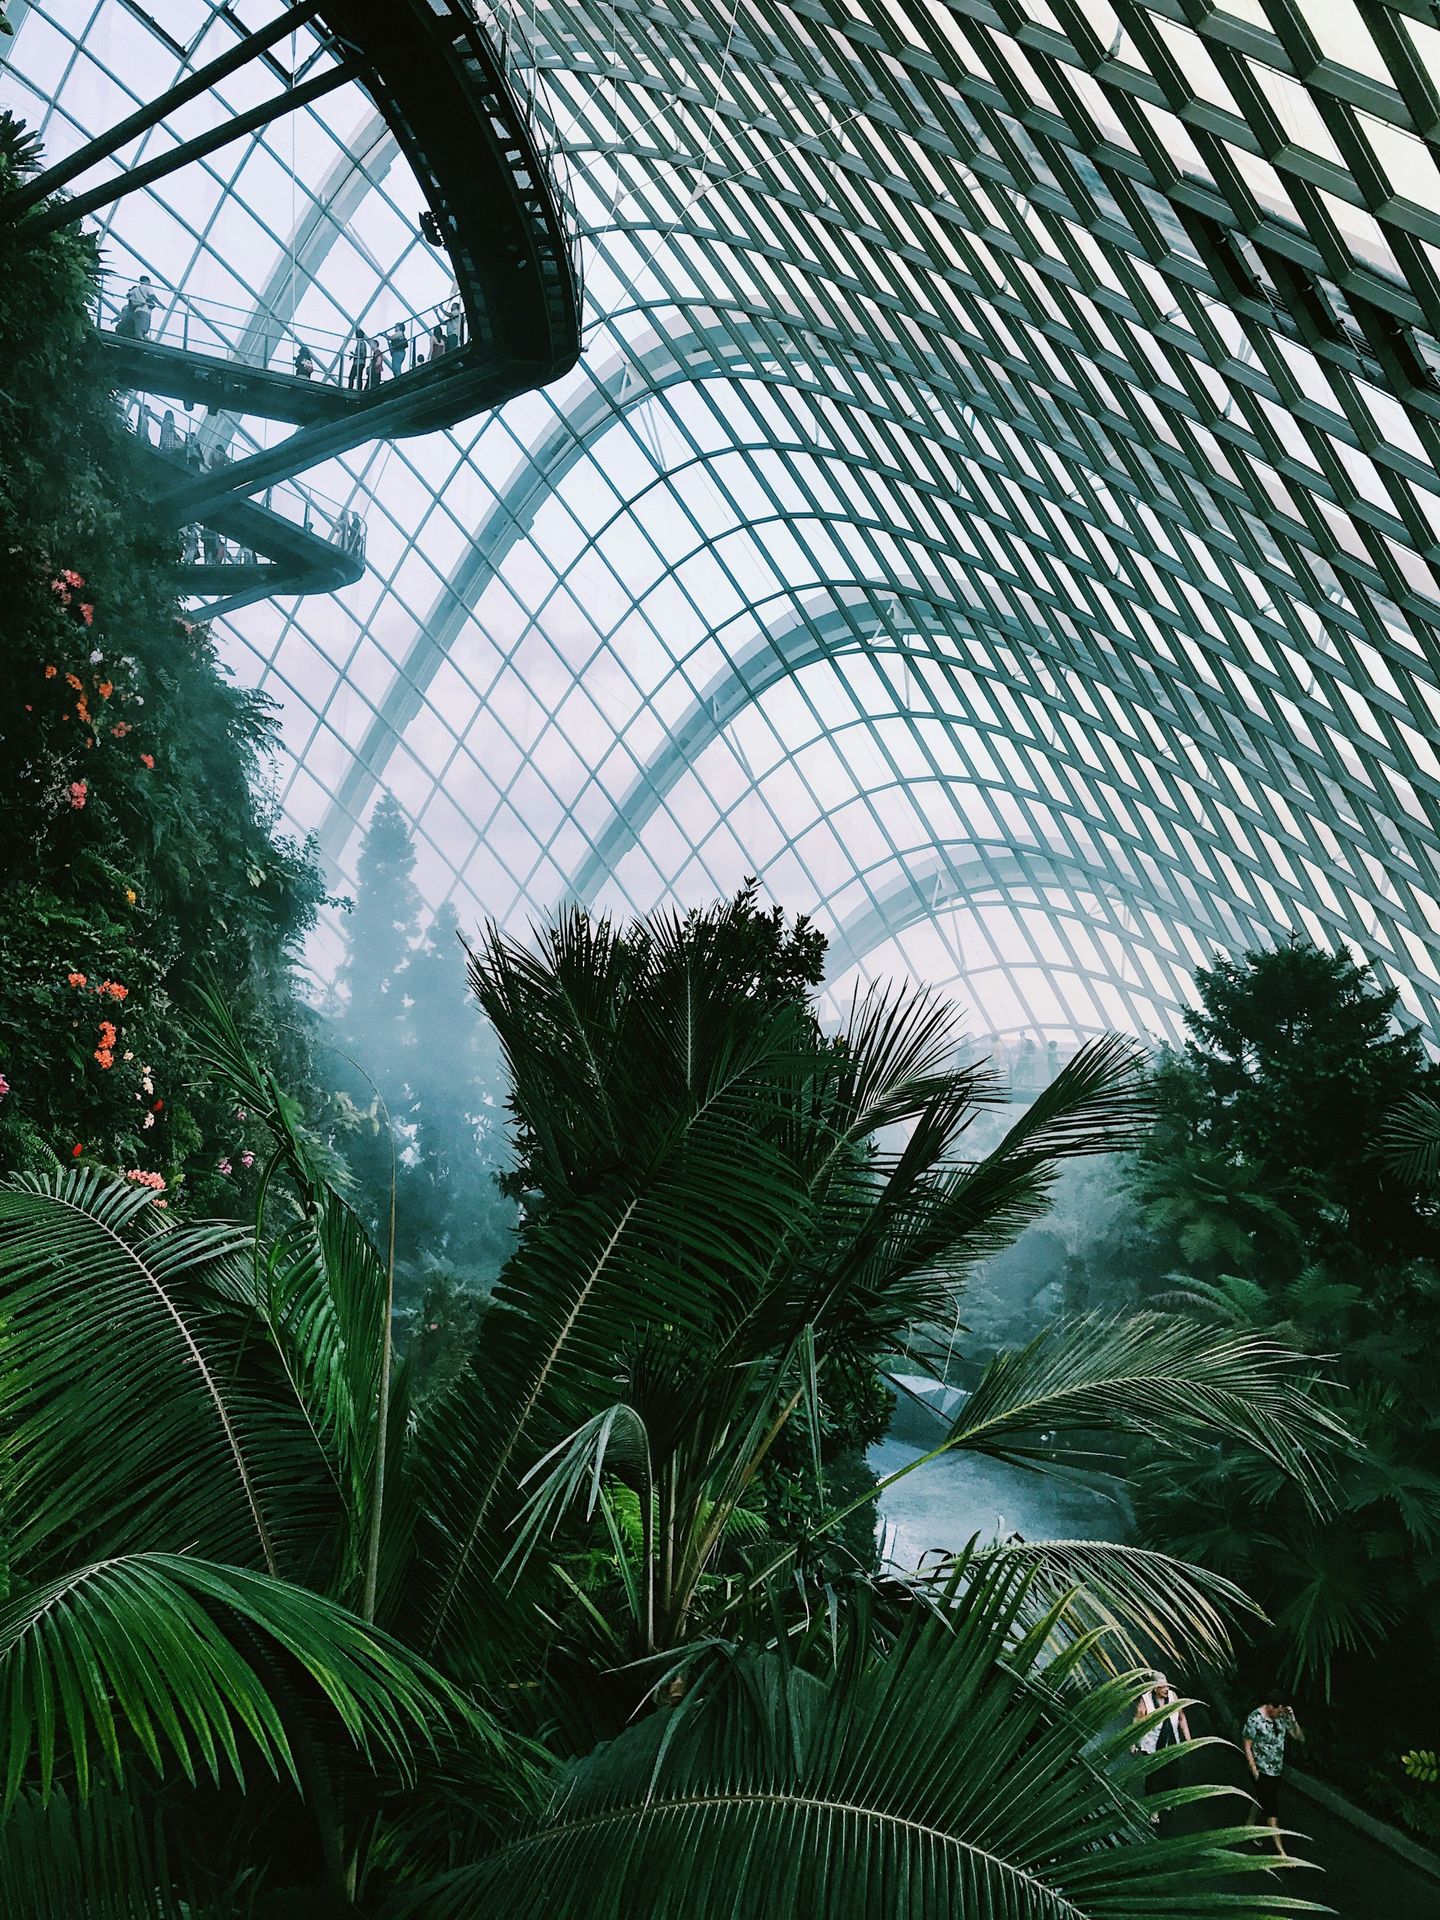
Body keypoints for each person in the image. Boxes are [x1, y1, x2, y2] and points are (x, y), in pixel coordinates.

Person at [1242, 1690, 1303, 1855]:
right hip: (1261, 1770)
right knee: (1271, 1809)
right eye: (1278, 1710)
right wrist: (1253, 1769)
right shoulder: (1255, 1719)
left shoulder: (1283, 1716)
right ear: (1270, 1706)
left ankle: (1248, 1827)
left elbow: (1299, 1737)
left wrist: (1293, 1719)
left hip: (1275, 1769)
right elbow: (1247, 1744)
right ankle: (1281, 1851)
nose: (1279, 1714)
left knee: (1261, 1799)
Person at [116, 274, 159, 340]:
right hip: (131, 330)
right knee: (142, 330)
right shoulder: (130, 308)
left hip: (126, 329)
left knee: (141, 331)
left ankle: (141, 337)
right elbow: (152, 302)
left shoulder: (128, 308)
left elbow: (128, 296)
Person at [347, 326, 368, 391]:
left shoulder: (361, 343)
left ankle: (351, 389)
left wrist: (354, 355)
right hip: (360, 362)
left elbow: (362, 354)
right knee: (358, 377)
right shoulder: (361, 343)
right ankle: (358, 389)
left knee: (352, 377)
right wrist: (354, 355)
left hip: (358, 363)